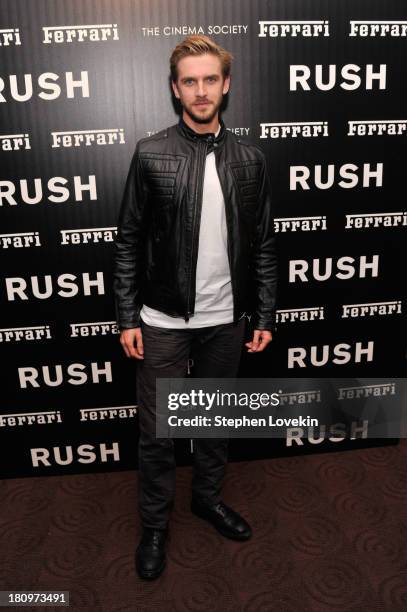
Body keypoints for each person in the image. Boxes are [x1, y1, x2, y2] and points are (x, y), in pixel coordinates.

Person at [113, 35, 277, 580]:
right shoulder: (151, 152)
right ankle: (154, 525)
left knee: (213, 424)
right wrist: (127, 316)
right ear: (175, 88)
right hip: (161, 323)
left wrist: (265, 314)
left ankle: (206, 499)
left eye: (211, 79)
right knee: (158, 432)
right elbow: (129, 239)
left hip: (226, 322)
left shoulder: (250, 159)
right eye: (190, 81)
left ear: (226, 85)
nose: (201, 90)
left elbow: (265, 244)